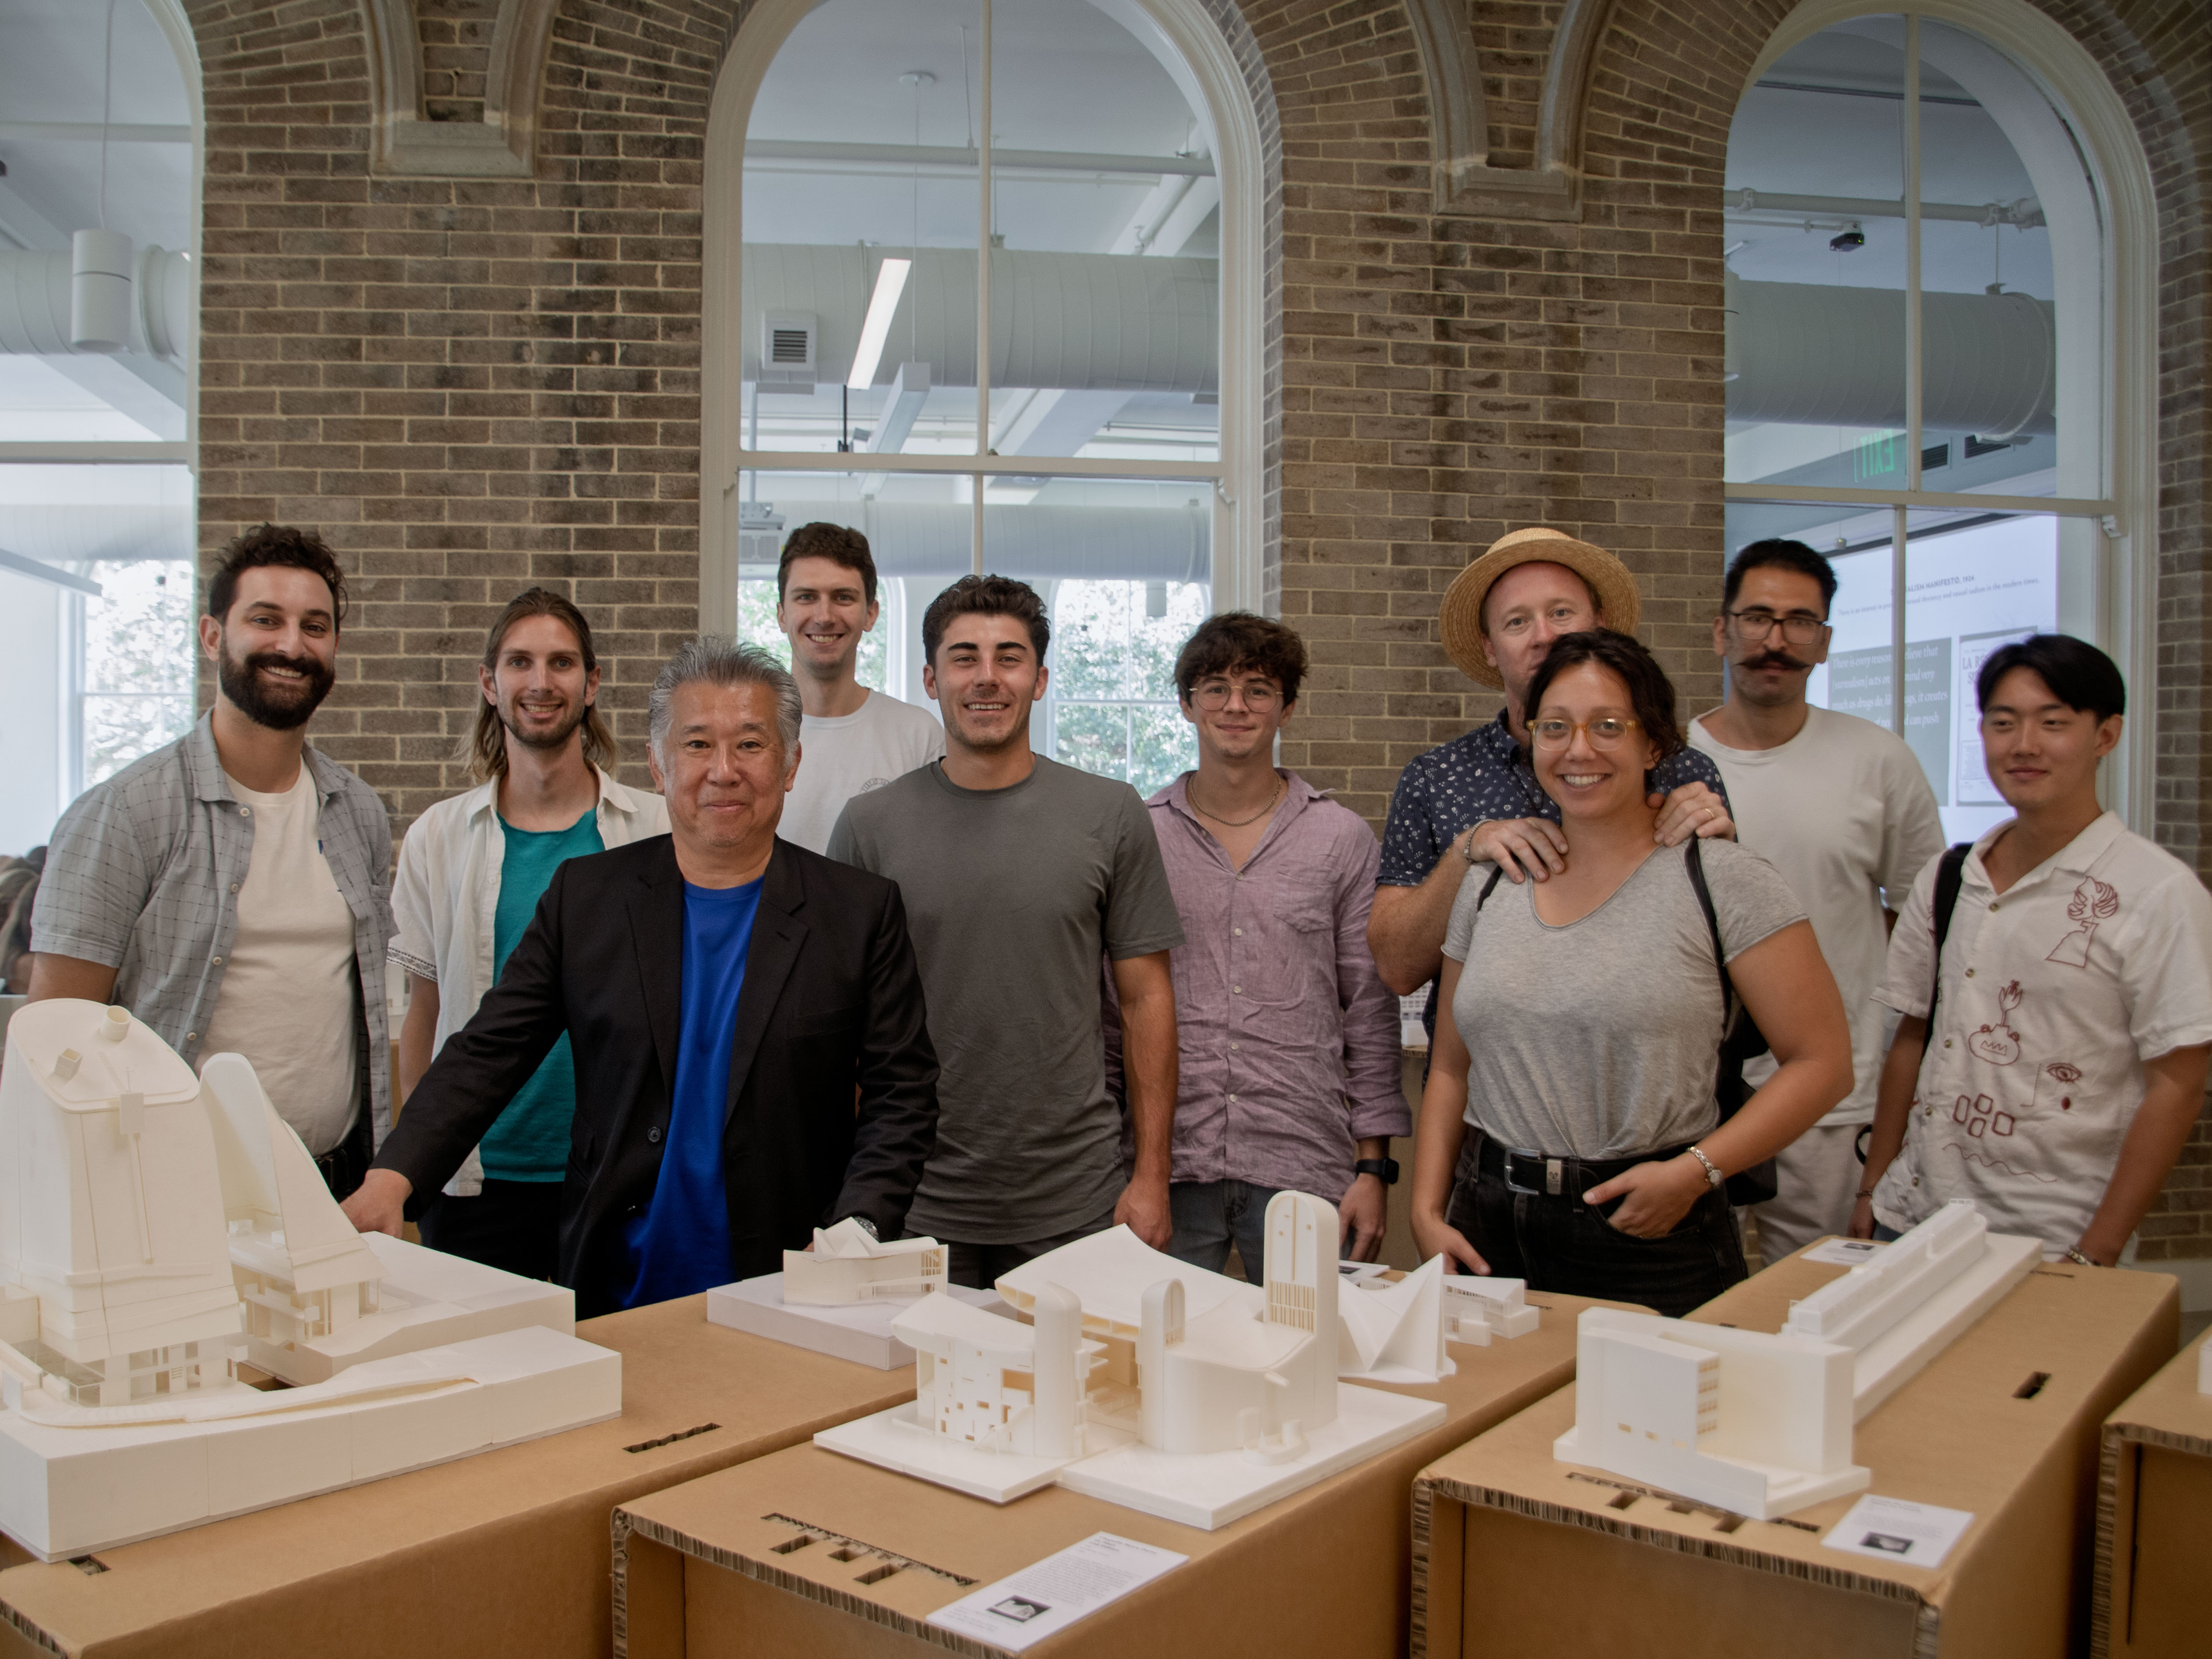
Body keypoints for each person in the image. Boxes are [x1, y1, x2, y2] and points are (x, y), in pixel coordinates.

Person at [342, 640, 939, 1316]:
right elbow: (488, 1052)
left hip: (790, 1280)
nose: (723, 772)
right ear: (658, 765)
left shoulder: (857, 913)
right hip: (616, 1280)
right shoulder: (586, 899)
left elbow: (903, 1094)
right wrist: (393, 1176)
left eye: (750, 745)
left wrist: (857, 1228)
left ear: (791, 763)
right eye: (696, 745)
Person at [1408, 630, 1852, 1316]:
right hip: (1488, 1223)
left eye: (1608, 726)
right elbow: (1449, 1067)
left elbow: (1822, 1064)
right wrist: (1426, 1209)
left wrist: (1696, 1173)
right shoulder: (1492, 883)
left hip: (1651, 1226)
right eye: (1555, 727)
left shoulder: (1723, 879)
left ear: (1654, 745)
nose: (1578, 749)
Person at [828, 576, 1185, 1289]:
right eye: (964, 657)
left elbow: (1146, 1000)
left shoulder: (1110, 813)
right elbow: (843, 1022)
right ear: (931, 679)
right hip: (912, 1197)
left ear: (1041, 680)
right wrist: (849, 1190)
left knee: (1082, 1367)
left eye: (1009, 657)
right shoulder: (869, 825)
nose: (986, 677)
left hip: (1076, 1197)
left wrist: (1151, 1176)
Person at [29, 524, 394, 1197]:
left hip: (333, 1182)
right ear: (211, 636)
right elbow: (52, 1045)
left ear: (334, 647)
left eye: (314, 627)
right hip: (171, 1189)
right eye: (266, 619)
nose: (292, 646)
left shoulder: (358, 812)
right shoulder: (125, 812)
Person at [1852, 636, 2212, 1265]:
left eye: (2053, 723)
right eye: (2003, 722)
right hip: (1909, 1217)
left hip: (2053, 1240)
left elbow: (2178, 1084)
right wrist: (1872, 1187)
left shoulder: (2157, 893)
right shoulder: (1950, 876)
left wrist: (2096, 1251)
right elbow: (1913, 1036)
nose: (2023, 745)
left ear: (2105, 736)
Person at [1112, 612, 1406, 1280]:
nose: (1235, 706)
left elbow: (1368, 1011)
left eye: (1258, 689)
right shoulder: (1140, 836)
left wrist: (1373, 1169)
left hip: (1303, 1162)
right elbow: (1112, 1012)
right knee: (1161, 1341)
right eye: (1215, 688)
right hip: (1167, 1166)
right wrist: (1117, 1165)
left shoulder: (1340, 838)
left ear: (1287, 707)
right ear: (1186, 704)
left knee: (1307, 1344)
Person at [388, 590, 669, 1280]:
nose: (541, 682)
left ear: (591, 683)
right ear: (490, 683)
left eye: (561, 663)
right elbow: (422, 1014)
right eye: (520, 662)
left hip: (621, 1175)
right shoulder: (438, 837)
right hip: (476, 1179)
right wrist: (413, 1163)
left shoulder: (657, 830)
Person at [1369, 527, 1736, 1043]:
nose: (1544, 636)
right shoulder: (1437, 778)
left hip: (1649, 1070)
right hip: (1482, 1078)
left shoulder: (1681, 770)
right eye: (1517, 622)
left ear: (1600, 624)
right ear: (1490, 648)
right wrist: (1466, 851)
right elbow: (1397, 968)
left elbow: (1731, 961)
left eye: (1561, 613)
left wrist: (1719, 849)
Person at [1689, 540, 1944, 1260]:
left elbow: (1924, 920)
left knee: (1821, 1292)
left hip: (1832, 1095)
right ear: (1722, 631)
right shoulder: (1670, 760)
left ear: (1824, 642)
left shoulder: (1877, 760)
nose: (1775, 640)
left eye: (1800, 622)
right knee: (1695, 1290)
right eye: (1757, 617)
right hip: (1693, 1090)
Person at [772, 522, 945, 853]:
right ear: (782, 614)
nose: (824, 616)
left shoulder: (918, 735)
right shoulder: (747, 733)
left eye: (843, 597)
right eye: (806, 597)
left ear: (871, 614)